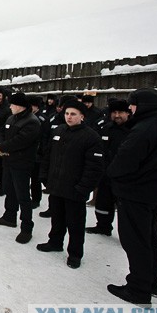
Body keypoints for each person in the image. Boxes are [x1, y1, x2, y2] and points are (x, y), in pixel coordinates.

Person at [106, 88, 157, 307]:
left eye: (132, 104)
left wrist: (111, 173)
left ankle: (138, 289)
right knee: (150, 237)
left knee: (136, 241)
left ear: (141, 106)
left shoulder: (144, 129)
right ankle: (152, 283)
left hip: (136, 194)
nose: (130, 109)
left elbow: (122, 163)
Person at [36, 99, 104, 269]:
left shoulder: (91, 137)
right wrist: (44, 176)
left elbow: (94, 167)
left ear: (82, 116)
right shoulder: (58, 131)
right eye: (67, 113)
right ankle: (55, 242)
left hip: (75, 189)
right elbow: (48, 155)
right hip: (56, 186)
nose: (69, 117)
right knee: (57, 218)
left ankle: (75, 253)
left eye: (73, 114)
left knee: (75, 224)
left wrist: (83, 188)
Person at [0, 92, 41, 244]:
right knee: (9, 189)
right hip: (8, 161)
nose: (10, 107)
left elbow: (21, 141)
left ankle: (26, 227)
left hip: (22, 163)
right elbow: (1, 132)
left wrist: (2, 147)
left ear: (20, 106)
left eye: (12, 104)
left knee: (23, 195)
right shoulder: (11, 118)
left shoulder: (32, 122)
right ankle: (9, 216)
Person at [86, 99, 132, 236]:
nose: (117, 115)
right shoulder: (106, 128)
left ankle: (128, 234)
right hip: (105, 174)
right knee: (103, 203)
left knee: (125, 208)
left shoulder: (134, 130)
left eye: (120, 112)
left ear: (128, 113)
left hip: (124, 177)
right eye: (114, 112)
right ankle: (103, 226)